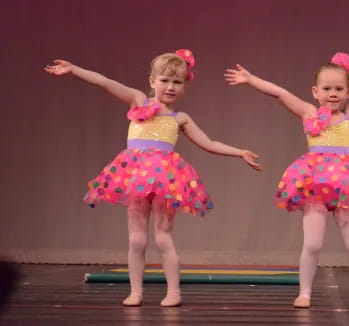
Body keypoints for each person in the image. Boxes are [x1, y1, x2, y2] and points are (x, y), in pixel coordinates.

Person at [45, 49, 262, 307]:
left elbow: (209, 142)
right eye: (165, 80)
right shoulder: (138, 100)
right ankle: (136, 291)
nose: (170, 87)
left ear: (185, 85)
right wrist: (74, 69)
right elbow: (105, 82)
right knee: (136, 238)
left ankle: (174, 292)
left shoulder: (180, 118)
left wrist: (239, 153)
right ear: (152, 81)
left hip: (166, 180)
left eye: (177, 82)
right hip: (135, 175)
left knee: (162, 237)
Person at [225, 46, 349, 308]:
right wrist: (251, 79)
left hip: (347, 186)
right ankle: (305, 293)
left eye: (338, 89)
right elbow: (279, 93)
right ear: (315, 92)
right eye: (326, 89)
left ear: (348, 92)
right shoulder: (308, 113)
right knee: (312, 244)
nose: (333, 94)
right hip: (315, 186)